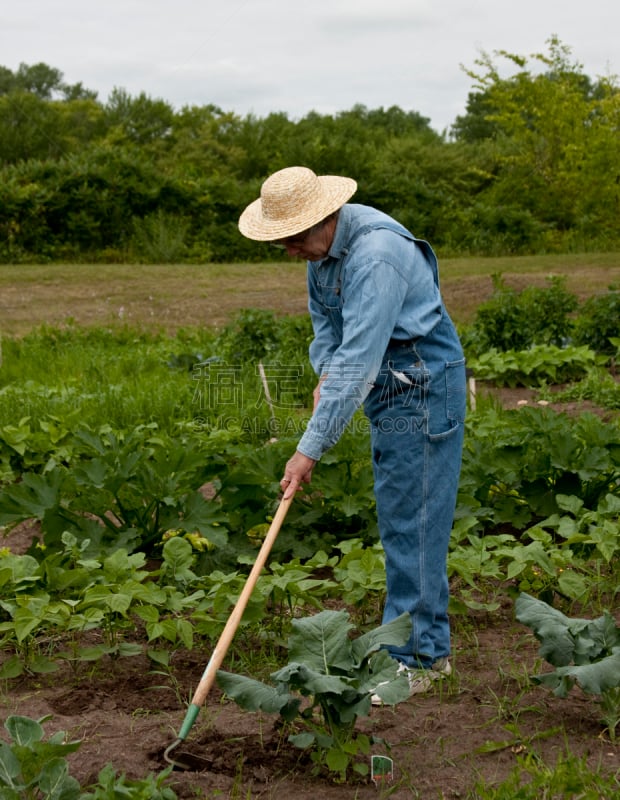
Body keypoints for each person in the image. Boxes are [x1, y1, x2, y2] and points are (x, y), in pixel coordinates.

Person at [238, 166, 466, 702]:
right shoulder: (323, 254)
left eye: (293, 239)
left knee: (417, 518)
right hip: (387, 379)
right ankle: (411, 643)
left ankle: (423, 658)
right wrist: (325, 374)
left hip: (422, 385)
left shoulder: (375, 256)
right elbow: (329, 332)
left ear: (323, 218)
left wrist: (307, 451)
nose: (290, 251)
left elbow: (359, 358)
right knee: (399, 512)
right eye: (282, 243)